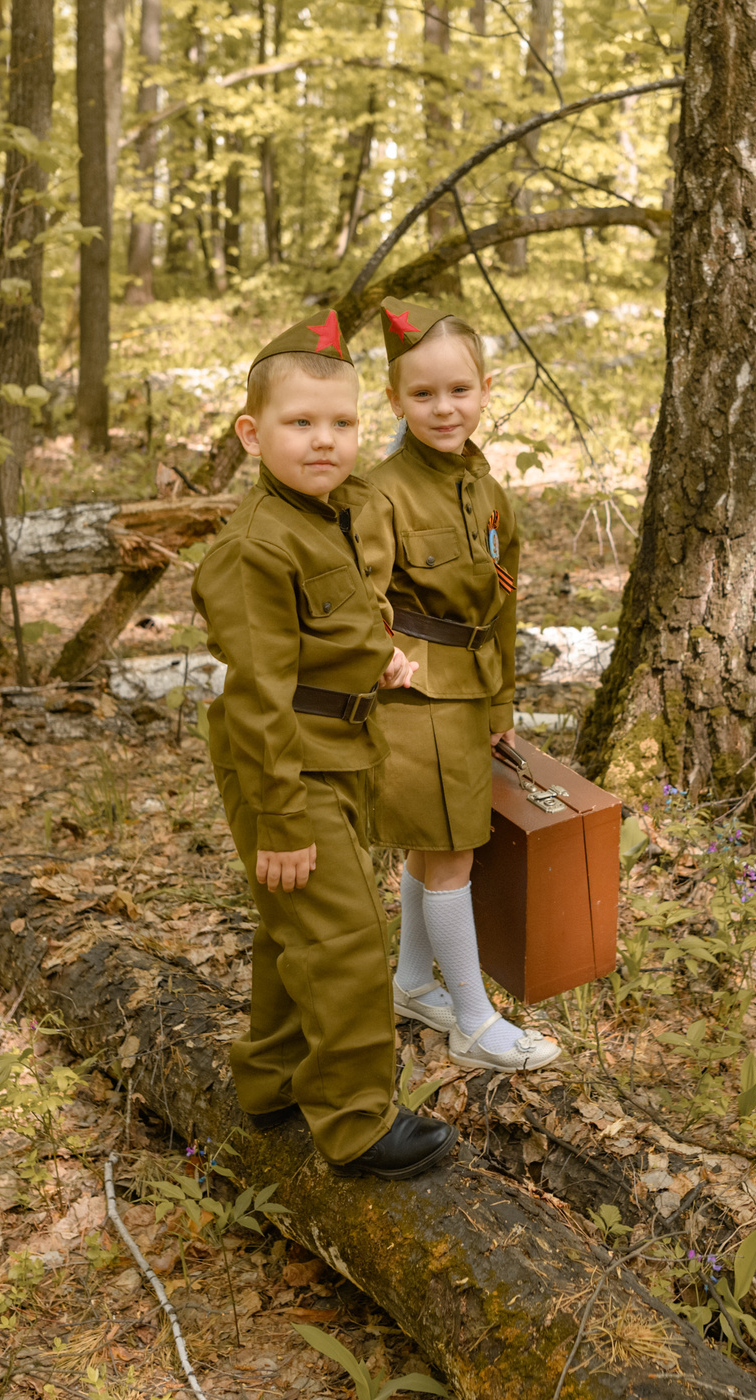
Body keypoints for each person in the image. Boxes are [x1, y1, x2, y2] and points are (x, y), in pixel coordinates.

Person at [194, 312, 456, 1178]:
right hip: (286, 764)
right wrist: (277, 820)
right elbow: (262, 692)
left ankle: (270, 1083)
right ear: (251, 433)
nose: (324, 441)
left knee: (292, 927)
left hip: (341, 749)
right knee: (341, 936)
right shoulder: (253, 547)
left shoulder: (333, 514)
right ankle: (354, 1121)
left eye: (340, 423)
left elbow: (335, 623)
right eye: (299, 423)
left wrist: (373, 660)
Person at [364, 298, 561, 1073]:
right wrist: (379, 650)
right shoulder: (382, 492)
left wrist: (502, 700)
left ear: (485, 388)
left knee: (433, 850)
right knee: (451, 855)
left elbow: (503, 598)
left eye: (458, 391)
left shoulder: (484, 487)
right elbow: (363, 594)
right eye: (422, 395)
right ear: (394, 400)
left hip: (470, 689)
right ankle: (474, 1021)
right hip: (415, 696)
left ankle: (414, 983)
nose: (443, 409)